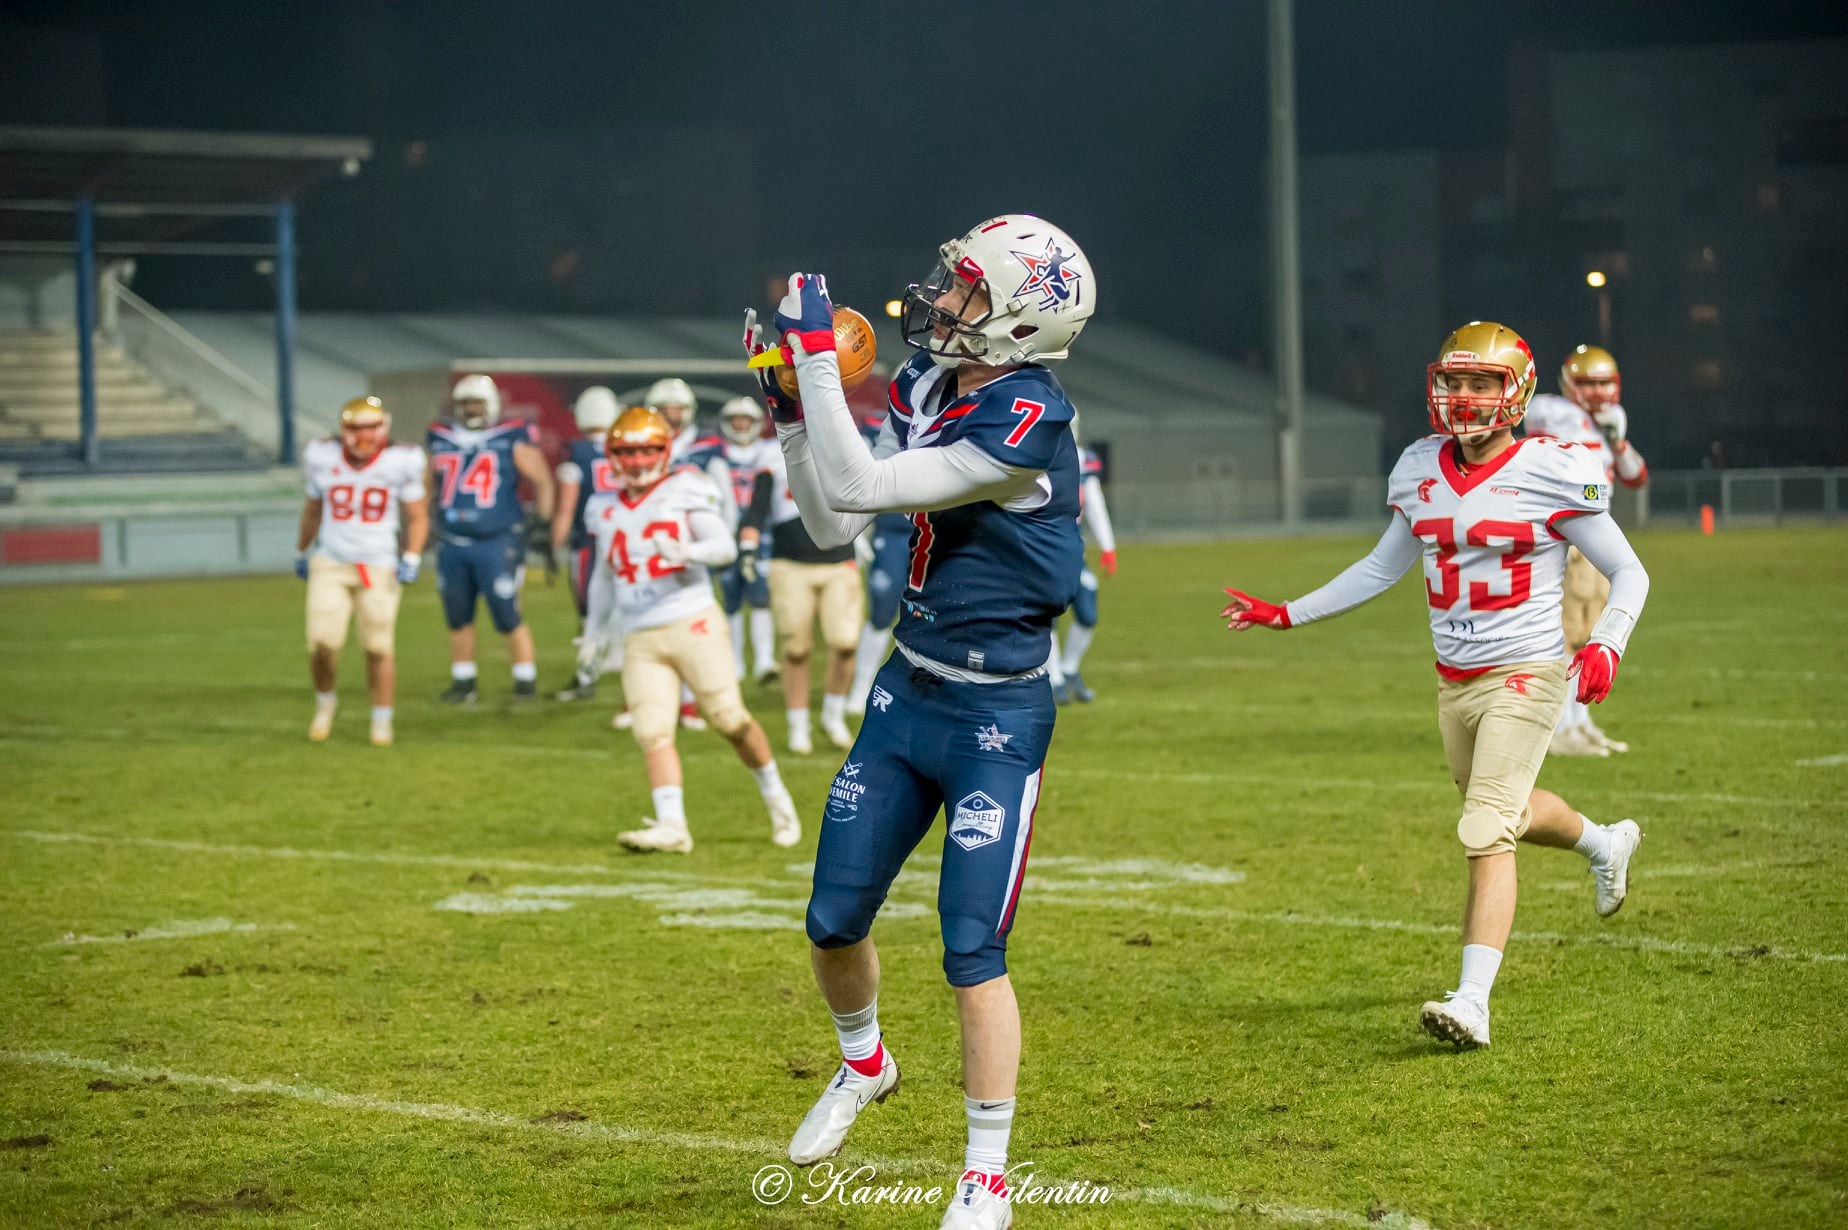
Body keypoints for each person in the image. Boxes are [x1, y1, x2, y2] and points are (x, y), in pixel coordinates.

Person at [750, 213, 1093, 1230]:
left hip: (996, 715)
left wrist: (816, 359)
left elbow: (863, 484)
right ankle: (865, 1064)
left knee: (971, 948)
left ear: (1022, 321)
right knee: (831, 919)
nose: (940, 298)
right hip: (907, 693)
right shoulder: (929, 384)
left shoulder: (1029, 416)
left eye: (967, 288)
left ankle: (986, 1176)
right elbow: (832, 519)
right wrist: (791, 414)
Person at [1221, 321, 1648, 1052]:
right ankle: (1603, 843)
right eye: (1454, 381)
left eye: (1481, 382)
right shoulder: (1419, 464)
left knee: (1485, 827)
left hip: (1527, 670)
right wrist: (1288, 612)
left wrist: (1607, 640)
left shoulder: (1553, 467)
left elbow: (1629, 570)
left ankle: (1472, 1002)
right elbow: (1381, 567)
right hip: (1455, 679)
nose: (1463, 396)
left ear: (1515, 392)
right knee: (1504, 810)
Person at [578, 407, 800, 854]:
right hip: (640, 633)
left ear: (664, 451)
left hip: (691, 620)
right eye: (627, 452)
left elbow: (723, 546)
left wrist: (687, 551)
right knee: (652, 730)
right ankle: (672, 826)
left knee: (729, 718)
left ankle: (778, 799)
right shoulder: (602, 505)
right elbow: (604, 574)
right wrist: (594, 631)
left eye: (646, 450)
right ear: (612, 456)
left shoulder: (686, 486)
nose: (637, 461)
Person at [1524, 345, 1649, 756]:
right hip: (1564, 537)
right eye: (1588, 383)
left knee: (1588, 635)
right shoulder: (1552, 411)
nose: (1597, 392)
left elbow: (1636, 476)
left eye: (1604, 383)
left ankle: (1580, 721)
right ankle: (1559, 728)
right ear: (1569, 384)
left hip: (1597, 537)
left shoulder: (1609, 421)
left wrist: (1618, 441)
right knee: (1563, 635)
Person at [296, 396, 428, 746]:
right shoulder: (322, 456)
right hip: (331, 561)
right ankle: (325, 703)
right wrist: (301, 549)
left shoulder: (402, 460)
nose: (362, 436)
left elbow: (417, 515)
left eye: (369, 428)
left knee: (378, 647)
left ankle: (382, 720)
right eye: (355, 428)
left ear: (383, 427)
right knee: (322, 643)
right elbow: (312, 509)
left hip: (379, 564)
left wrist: (412, 556)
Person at [427, 373, 555, 704]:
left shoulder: (509, 436)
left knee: (506, 611)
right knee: (457, 614)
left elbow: (542, 479)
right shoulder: (440, 437)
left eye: (477, 404)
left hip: (496, 539)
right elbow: (426, 484)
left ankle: (525, 678)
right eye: (466, 404)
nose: (471, 410)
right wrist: (423, 520)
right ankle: (463, 680)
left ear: (492, 405)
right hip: (452, 539)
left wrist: (542, 523)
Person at [750, 438, 863, 755]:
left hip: (839, 560)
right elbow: (758, 505)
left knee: (845, 642)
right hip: (790, 561)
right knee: (796, 649)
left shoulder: (844, 438)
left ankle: (832, 714)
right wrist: (748, 541)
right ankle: (798, 725)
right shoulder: (770, 451)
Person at [647, 375, 731, 731]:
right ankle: (647, 700)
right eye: (666, 411)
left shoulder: (706, 447)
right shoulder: (644, 442)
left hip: (694, 542)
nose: (672, 417)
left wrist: (722, 538)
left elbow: (725, 496)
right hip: (652, 541)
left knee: (692, 624)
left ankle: (690, 703)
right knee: (648, 622)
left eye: (677, 410)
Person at [552, 386, 622, 702]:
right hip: (628, 538)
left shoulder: (576, 452)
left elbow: (566, 508)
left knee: (590, 614)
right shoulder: (627, 446)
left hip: (591, 542)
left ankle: (586, 676)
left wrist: (554, 544)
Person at [846, 412, 915, 717]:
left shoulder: (951, 419)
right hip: (894, 531)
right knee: (882, 609)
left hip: (937, 531)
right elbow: (858, 478)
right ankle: (861, 686)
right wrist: (857, 534)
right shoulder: (881, 427)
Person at [1045, 444, 1117, 705]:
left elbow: (1094, 503)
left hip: (1072, 553)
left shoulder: (1083, 458)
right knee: (1047, 617)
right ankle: (1054, 680)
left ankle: (1069, 669)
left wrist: (1107, 545)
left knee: (1087, 613)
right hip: (1038, 551)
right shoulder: (1031, 448)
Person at [716, 397, 780, 684]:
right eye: (736, 420)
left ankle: (764, 658)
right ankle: (734, 661)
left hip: (762, 534)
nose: (741, 425)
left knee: (760, 596)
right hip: (727, 534)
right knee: (730, 598)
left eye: (746, 420)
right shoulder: (716, 457)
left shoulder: (769, 452)